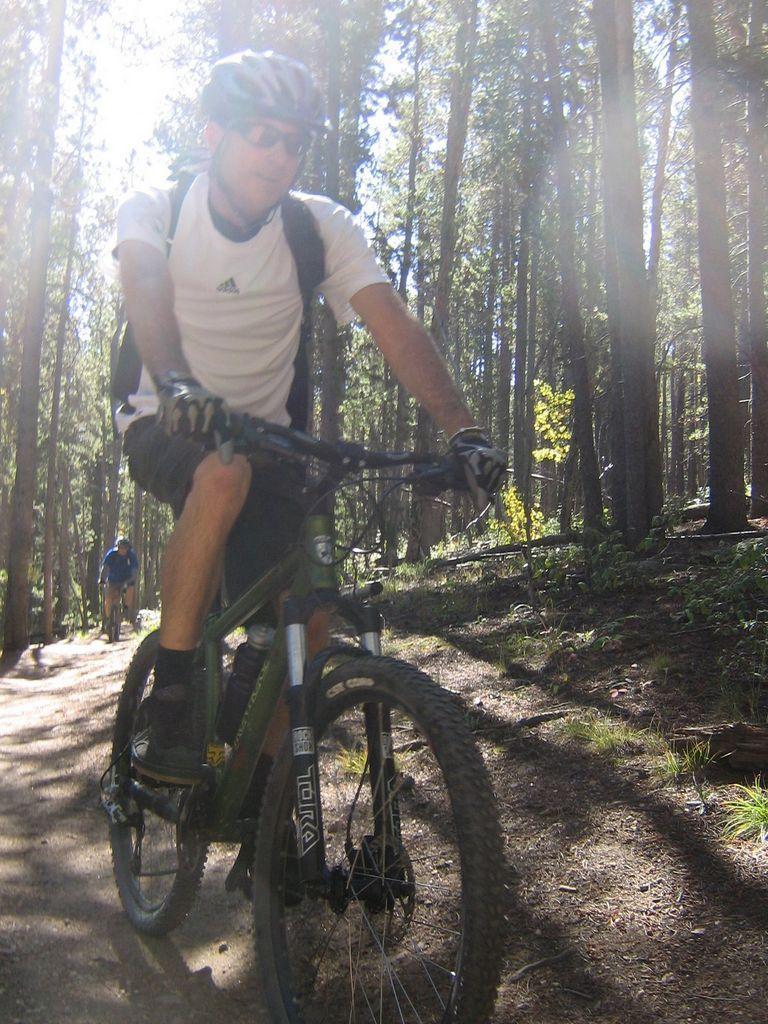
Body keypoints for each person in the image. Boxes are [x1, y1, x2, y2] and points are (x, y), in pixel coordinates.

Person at [114, 49, 506, 785]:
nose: (279, 153)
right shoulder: (159, 208)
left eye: (293, 140)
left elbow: (390, 322)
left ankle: (256, 796)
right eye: (260, 132)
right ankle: (169, 703)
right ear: (213, 135)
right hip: (162, 419)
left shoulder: (317, 228)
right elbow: (143, 286)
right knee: (221, 475)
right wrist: (175, 384)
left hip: (268, 439)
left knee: (312, 619)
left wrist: (463, 428)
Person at [99, 538, 139, 627]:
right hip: (113, 580)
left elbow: (135, 569)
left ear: (128, 548)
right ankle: (109, 619)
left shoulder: (131, 555)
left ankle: (126, 608)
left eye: (125, 548)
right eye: (121, 548)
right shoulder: (111, 554)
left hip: (126, 579)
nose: (123, 550)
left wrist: (132, 579)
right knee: (109, 598)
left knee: (130, 588)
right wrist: (102, 579)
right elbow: (105, 567)